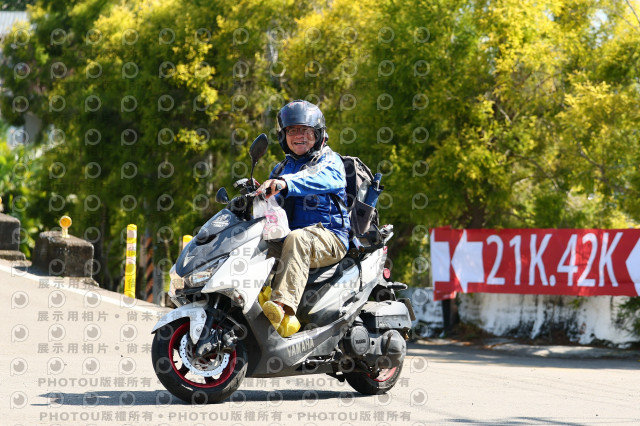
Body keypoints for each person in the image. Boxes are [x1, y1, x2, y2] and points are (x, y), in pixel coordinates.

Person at [258, 100, 351, 332]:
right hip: (291, 237)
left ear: (317, 134)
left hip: (331, 237)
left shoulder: (329, 161)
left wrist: (284, 183)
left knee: (298, 238)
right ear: (284, 136)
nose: (299, 136)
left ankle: (281, 308)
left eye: (305, 130)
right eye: (292, 130)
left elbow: (319, 178)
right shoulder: (281, 169)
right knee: (254, 242)